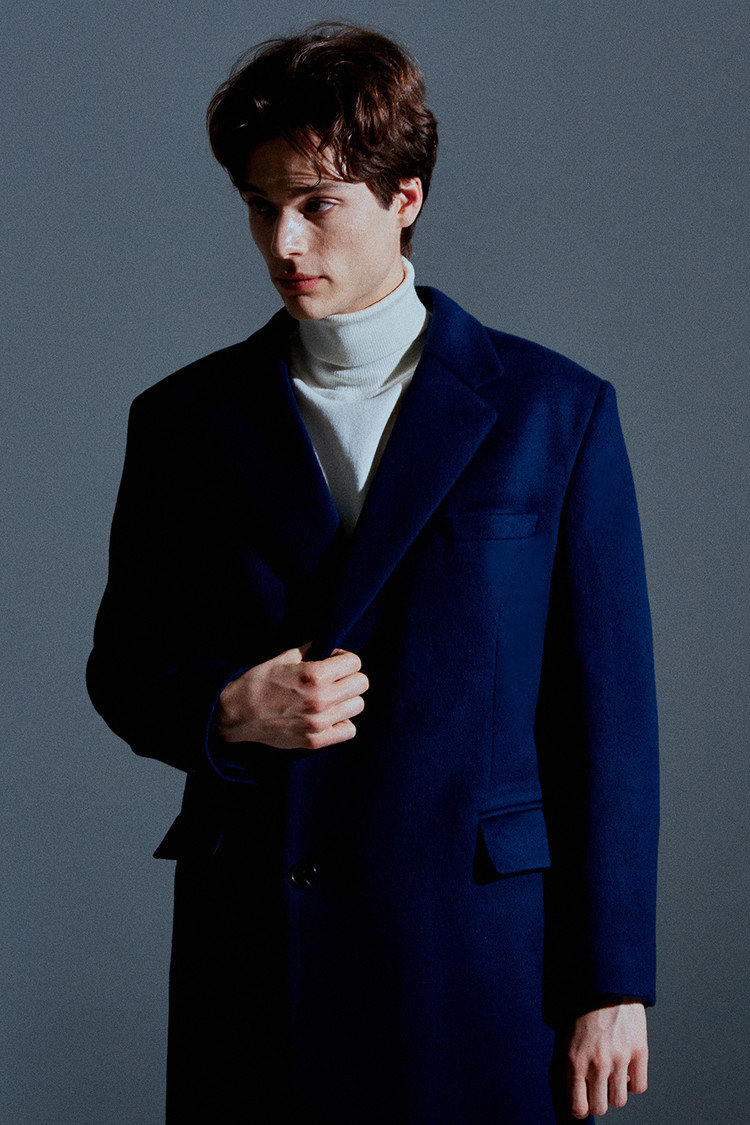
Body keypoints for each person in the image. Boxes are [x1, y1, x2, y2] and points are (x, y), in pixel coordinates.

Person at [87, 22, 659, 1124]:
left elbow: (608, 721)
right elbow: (123, 667)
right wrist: (227, 709)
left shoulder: (555, 412)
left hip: (479, 950)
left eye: (318, 203)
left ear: (406, 197)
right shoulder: (184, 421)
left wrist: (613, 979)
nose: (284, 240)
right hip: (261, 943)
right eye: (261, 205)